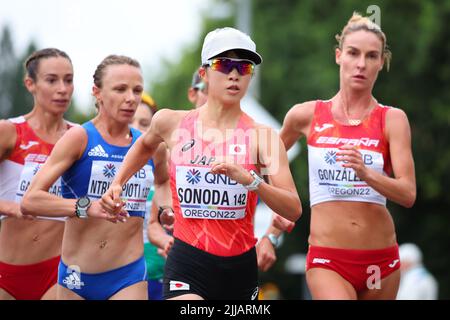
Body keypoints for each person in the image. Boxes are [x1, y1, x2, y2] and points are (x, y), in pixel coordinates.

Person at [100, 27, 302, 300]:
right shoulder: (170, 122)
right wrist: (117, 183)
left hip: (239, 266)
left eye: (244, 67)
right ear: (204, 73)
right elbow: (143, 147)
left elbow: (293, 208)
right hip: (188, 262)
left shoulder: (262, 136)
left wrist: (251, 181)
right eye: (225, 65)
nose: (234, 74)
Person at [279, 12, 416, 299]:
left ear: (381, 63)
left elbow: (407, 193)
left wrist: (367, 174)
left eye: (371, 56)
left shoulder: (392, 120)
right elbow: (267, 161)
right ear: (339, 56)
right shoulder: (305, 115)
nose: (361, 64)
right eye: (353, 53)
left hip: (381, 264)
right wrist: (275, 221)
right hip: (329, 260)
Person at [21, 55, 172, 300]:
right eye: (120, 89)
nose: (130, 98)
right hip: (77, 275)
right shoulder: (79, 138)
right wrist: (87, 207)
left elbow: (163, 181)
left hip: (129, 274)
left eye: (137, 90)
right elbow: (31, 200)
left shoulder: (151, 146)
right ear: (97, 92)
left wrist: (165, 209)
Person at [0, 48, 74, 300]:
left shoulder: (80, 137)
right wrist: (11, 207)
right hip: (7, 271)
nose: (63, 88)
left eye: (69, 79)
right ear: (30, 84)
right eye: (52, 80)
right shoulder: (10, 132)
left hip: (57, 271)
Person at [131, 92, 169, 300]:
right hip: (119, 274)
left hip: (160, 278)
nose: (137, 128)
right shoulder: (107, 165)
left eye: (144, 123)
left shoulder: (166, 165)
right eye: (131, 121)